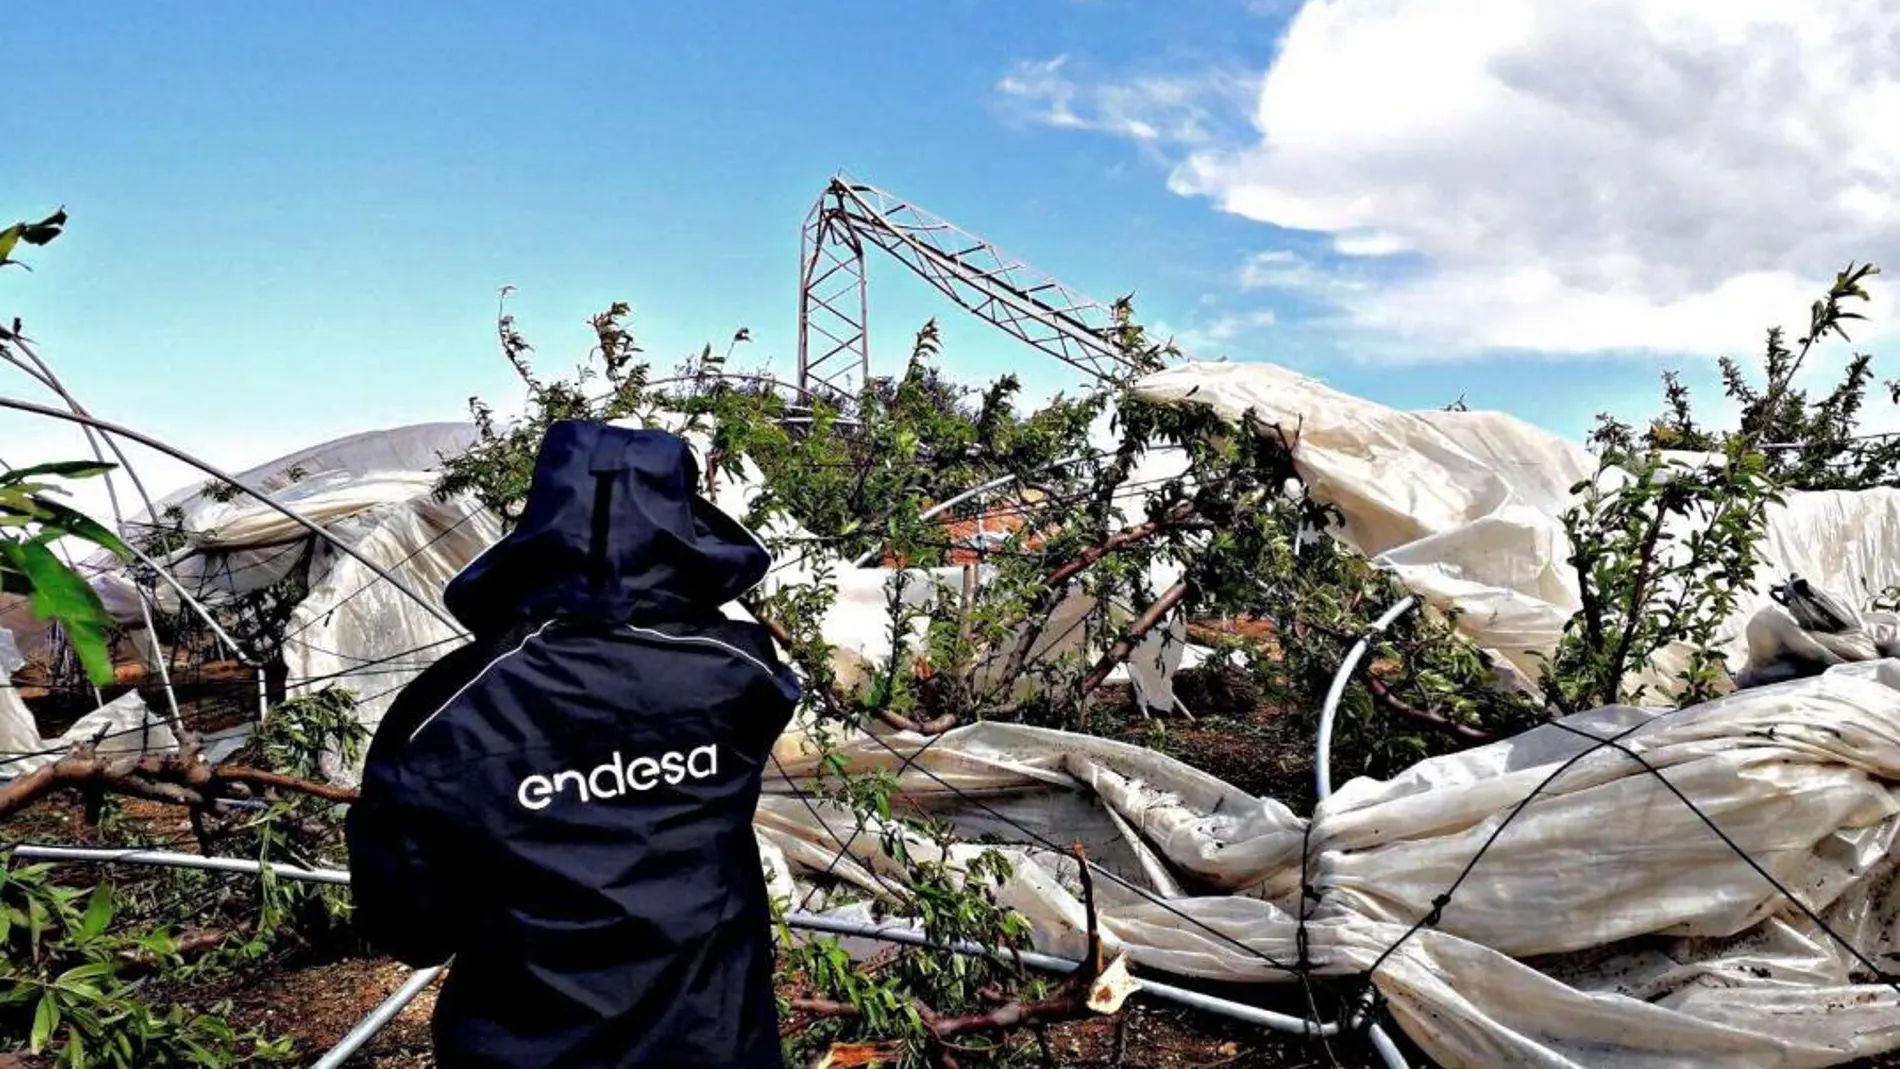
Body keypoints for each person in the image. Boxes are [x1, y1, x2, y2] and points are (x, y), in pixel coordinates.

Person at [346, 420, 799, 1068]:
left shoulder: (443, 715)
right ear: (679, 524)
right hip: (719, 1045)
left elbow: (412, 930)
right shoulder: (740, 675)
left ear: (545, 519)